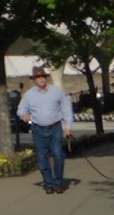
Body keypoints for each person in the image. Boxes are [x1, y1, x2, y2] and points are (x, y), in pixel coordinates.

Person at [17, 65, 75, 193]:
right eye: (38, 77)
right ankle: (49, 183)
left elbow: (66, 109)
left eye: (43, 76)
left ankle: (58, 182)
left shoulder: (57, 91)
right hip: (38, 129)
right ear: (34, 80)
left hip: (55, 128)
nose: (41, 79)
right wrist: (24, 115)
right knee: (42, 158)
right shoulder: (29, 95)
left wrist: (68, 127)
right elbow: (20, 110)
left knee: (58, 154)